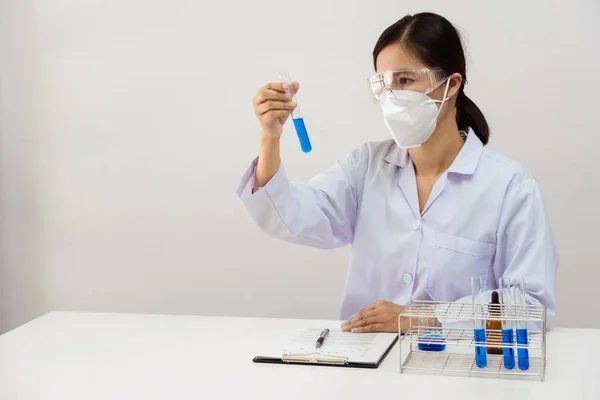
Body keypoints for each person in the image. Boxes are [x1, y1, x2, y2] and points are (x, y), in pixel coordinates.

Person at [236, 12, 557, 333]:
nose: (391, 97)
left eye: (404, 81)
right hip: (365, 363)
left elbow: (531, 304)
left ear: (452, 84)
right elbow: (288, 218)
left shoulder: (509, 187)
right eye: (383, 84)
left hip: (455, 369)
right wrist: (270, 138)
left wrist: (424, 318)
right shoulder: (365, 167)